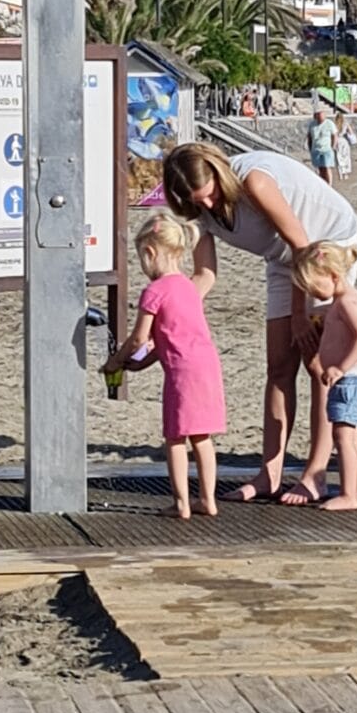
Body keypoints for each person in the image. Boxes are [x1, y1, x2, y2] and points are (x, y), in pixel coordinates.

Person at [163, 143, 357, 506]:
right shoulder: (197, 209)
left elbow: (302, 247)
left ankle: (315, 475)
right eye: (196, 201)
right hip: (282, 257)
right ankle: (269, 474)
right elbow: (205, 275)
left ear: (218, 175)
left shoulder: (254, 181)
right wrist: (173, 310)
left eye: (210, 195)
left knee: (317, 363)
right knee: (278, 365)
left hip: (325, 249)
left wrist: (300, 315)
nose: (207, 205)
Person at [103, 210, 226, 520]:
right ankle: (208, 500)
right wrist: (142, 364)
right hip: (207, 366)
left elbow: (139, 339)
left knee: (175, 437)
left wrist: (117, 361)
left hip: (182, 374)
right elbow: (170, 338)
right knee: (202, 437)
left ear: (150, 253)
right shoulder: (188, 287)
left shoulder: (154, 292)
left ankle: (181, 503)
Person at [290, 241, 357, 510]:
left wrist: (341, 367)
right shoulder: (343, 301)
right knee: (352, 438)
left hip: (353, 381)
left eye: (315, 287)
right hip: (354, 381)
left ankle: (348, 494)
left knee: (343, 438)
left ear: (333, 275)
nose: (313, 294)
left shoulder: (347, 302)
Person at [307, 108, 338, 185]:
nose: (319, 119)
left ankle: (329, 184)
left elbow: (334, 135)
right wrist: (310, 148)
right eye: (318, 117)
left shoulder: (329, 123)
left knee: (326, 167)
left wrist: (333, 146)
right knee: (320, 168)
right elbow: (309, 137)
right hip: (316, 149)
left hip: (326, 149)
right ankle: (323, 184)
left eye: (321, 117)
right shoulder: (312, 125)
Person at [333, 112, 356, 181]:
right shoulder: (345, 124)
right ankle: (345, 174)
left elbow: (334, 135)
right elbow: (351, 132)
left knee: (339, 158)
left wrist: (333, 144)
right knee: (346, 157)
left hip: (337, 142)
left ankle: (340, 174)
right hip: (344, 141)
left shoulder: (334, 125)